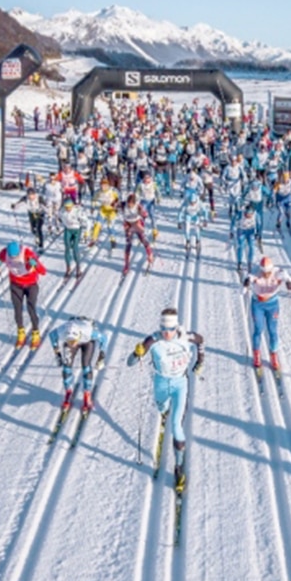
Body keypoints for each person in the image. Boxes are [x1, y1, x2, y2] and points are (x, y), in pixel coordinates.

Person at [127, 307, 205, 492]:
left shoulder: (187, 337)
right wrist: (136, 353)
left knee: (177, 425)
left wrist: (200, 361)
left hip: (180, 383)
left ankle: (179, 469)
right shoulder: (153, 340)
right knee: (162, 407)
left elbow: (201, 341)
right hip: (161, 382)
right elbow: (130, 363)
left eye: (169, 330)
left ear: (176, 327)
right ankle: (164, 413)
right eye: (163, 330)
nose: (166, 334)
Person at [0, 240, 47, 348]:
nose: (13, 259)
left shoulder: (27, 253)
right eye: (11, 257)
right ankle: (21, 333)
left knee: (31, 308)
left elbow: (43, 271)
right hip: (16, 285)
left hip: (31, 285)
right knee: (17, 310)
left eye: (15, 257)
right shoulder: (4, 253)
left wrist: (36, 264)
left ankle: (36, 333)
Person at [242, 256, 291, 371]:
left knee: (272, 330)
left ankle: (273, 354)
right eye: (264, 272)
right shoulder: (256, 272)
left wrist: (289, 284)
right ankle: (256, 354)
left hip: (272, 304)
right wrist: (246, 284)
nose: (266, 275)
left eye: (268, 272)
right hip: (258, 304)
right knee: (258, 329)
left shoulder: (278, 272)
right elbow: (248, 279)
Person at [49, 316, 108, 414]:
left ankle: (87, 394)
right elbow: (52, 336)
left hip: (87, 341)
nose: (72, 344)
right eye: (69, 342)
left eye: (73, 342)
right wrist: (57, 353)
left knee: (86, 364)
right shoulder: (62, 331)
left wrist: (101, 357)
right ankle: (68, 392)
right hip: (74, 333)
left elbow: (104, 338)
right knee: (66, 366)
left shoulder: (89, 332)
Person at [120, 193, 155, 273]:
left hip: (137, 223)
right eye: (129, 204)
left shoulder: (138, 206)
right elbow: (114, 204)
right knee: (128, 244)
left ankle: (150, 255)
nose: (130, 206)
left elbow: (144, 213)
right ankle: (126, 264)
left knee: (144, 240)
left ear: (134, 203)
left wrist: (144, 214)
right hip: (128, 225)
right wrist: (113, 204)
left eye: (131, 204)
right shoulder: (123, 205)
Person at [59, 198, 91, 279]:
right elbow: (59, 217)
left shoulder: (78, 212)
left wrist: (86, 232)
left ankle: (78, 268)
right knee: (67, 248)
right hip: (68, 230)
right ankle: (68, 268)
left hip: (77, 230)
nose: (68, 209)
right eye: (66, 207)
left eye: (69, 207)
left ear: (72, 206)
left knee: (75, 248)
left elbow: (88, 222)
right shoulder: (62, 211)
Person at [12, 187, 47, 253]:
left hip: (40, 213)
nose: (31, 197)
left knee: (39, 228)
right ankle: (36, 236)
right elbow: (19, 204)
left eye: (32, 195)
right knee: (33, 229)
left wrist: (48, 211)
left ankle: (41, 246)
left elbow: (45, 206)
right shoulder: (25, 198)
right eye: (29, 195)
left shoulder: (39, 198)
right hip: (31, 213)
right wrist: (14, 206)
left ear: (35, 194)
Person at [177, 190, 210, 257]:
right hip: (188, 215)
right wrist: (179, 221)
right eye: (191, 203)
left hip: (196, 215)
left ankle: (198, 240)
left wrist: (205, 219)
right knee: (187, 228)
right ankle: (188, 241)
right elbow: (180, 212)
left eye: (193, 203)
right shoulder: (186, 203)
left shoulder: (199, 202)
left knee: (197, 229)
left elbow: (205, 211)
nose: (192, 204)